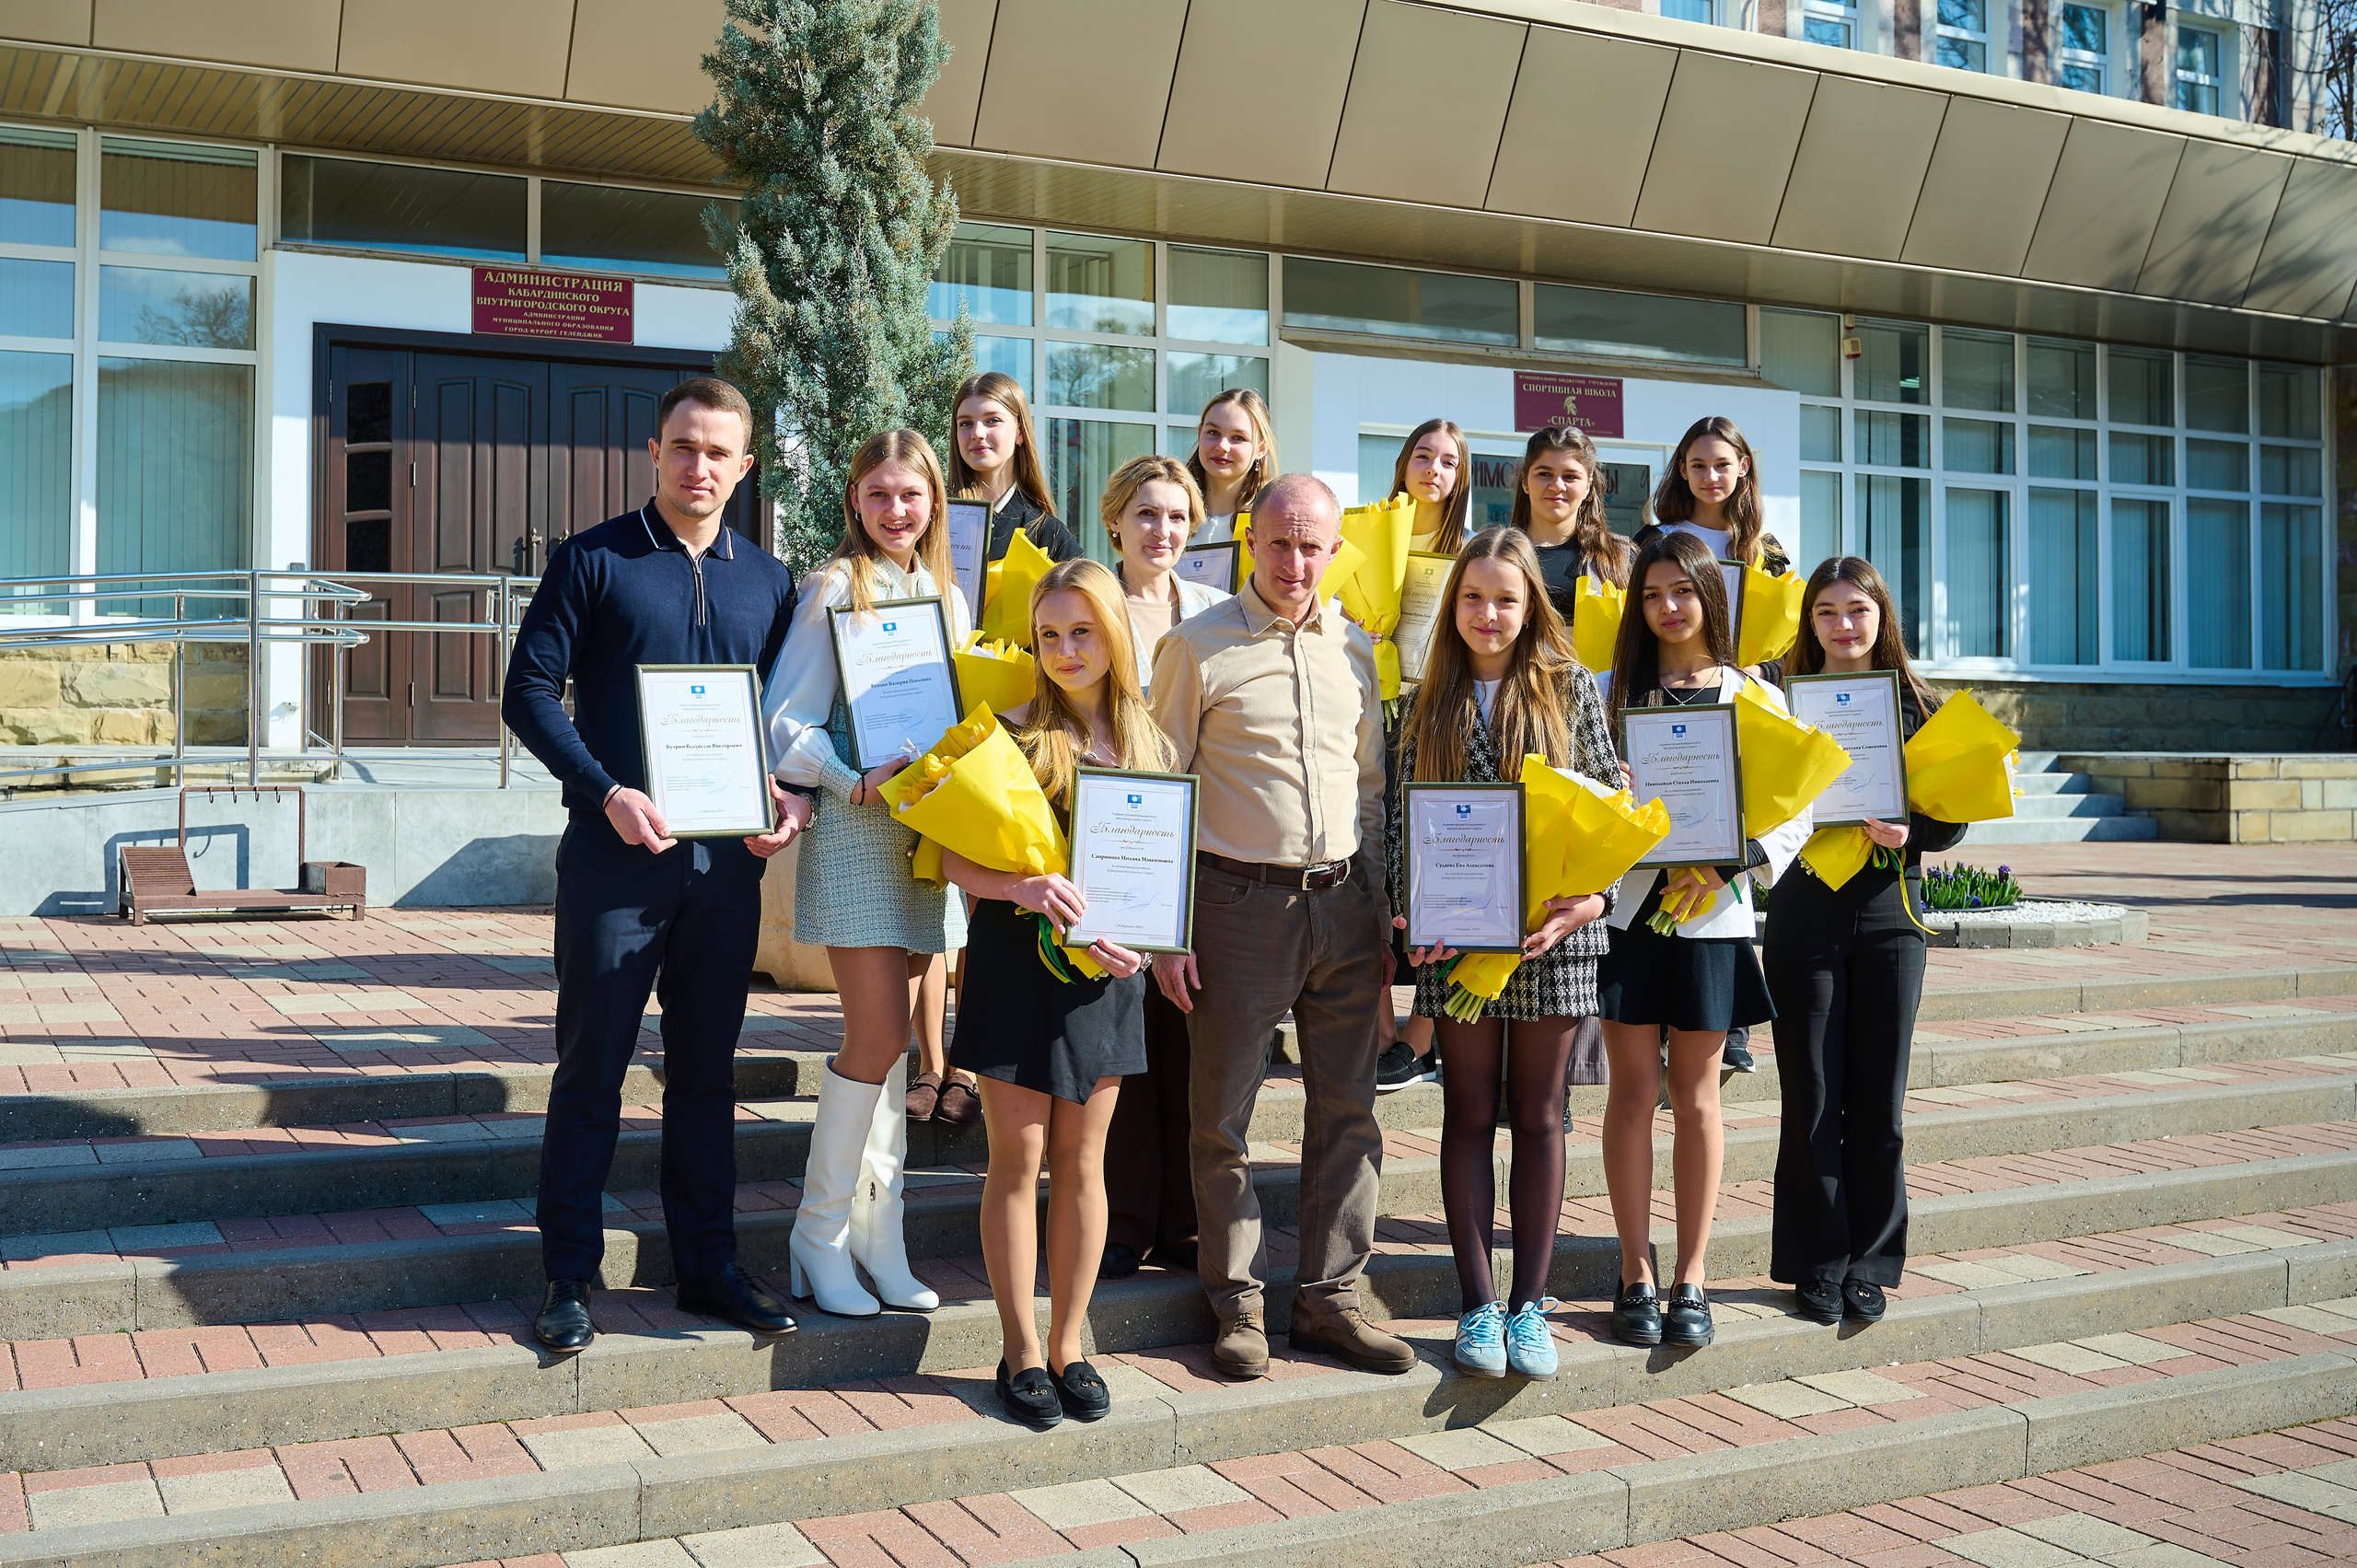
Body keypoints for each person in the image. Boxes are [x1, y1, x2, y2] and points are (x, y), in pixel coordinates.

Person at [504, 376, 804, 1353]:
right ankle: (566, 1274)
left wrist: (784, 801)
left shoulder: (769, 580)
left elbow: (792, 724)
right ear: (654, 449)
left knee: (706, 1073)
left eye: (719, 451)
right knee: (592, 1067)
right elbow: (529, 691)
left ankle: (707, 1264)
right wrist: (607, 792)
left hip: (726, 869)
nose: (699, 465)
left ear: (745, 465)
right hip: (613, 859)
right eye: (683, 445)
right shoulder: (596, 559)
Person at [1148, 472, 1414, 1381]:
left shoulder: (1355, 649)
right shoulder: (1195, 646)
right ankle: (1237, 1303)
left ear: (1335, 550)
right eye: (1279, 543)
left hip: (1342, 908)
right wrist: (1166, 929)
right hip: (1233, 908)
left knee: (1348, 1110)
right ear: (1247, 543)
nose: (1295, 562)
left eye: (1312, 545)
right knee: (1221, 1118)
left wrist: (1377, 914)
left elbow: (1371, 790)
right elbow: (1162, 790)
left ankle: (1332, 1293)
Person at [1386, 529, 1617, 1382]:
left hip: (1551, 939)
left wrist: (1593, 900)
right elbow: (1401, 818)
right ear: (1455, 607)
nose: (1489, 614)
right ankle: (1478, 1302)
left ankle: (1530, 1305)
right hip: (1460, 940)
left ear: (1531, 608)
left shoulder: (1568, 690)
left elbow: (1609, 814)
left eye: (1506, 600)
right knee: (1469, 1112)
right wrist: (1410, 910)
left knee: (1543, 1115)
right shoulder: (1429, 698)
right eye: (1474, 598)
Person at [945, 559, 1165, 1428]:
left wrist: (1148, 939)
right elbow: (946, 856)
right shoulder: (1003, 733)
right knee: (1018, 1158)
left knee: (1083, 1161)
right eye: (1049, 635)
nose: (1066, 650)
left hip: (1105, 977)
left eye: (1082, 631)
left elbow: (1163, 870)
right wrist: (1022, 888)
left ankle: (1073, 1342)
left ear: (1114, 633)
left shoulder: (1150, 741)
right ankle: (1020, 1346)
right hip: (1013, 965)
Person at [763, 429, 970, 1319]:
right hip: (856, 832)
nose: (895, 511)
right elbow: (783, 720)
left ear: (935, 503)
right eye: (878, 495)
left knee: (893, 1059)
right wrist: (852, 781)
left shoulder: (946, 596)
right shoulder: (832, 588)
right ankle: (817, 1233)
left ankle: (878, 1239)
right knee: (877, 1037)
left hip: (929, 842)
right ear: (855, 499)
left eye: (911, 496)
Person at [1596, 529, 1812, 1352]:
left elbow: (1794, 807)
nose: (1666, 607)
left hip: (1712, 919)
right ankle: (1633, 1270)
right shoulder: (1611, 688)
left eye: (1680, 592)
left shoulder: (1751, 694)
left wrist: (1731, 868)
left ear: (1707, 597)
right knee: (1628, 1092)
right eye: (1650, 595)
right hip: (1628, 916)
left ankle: (1690, 1273)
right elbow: (1578, 793)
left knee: (1696, 1096)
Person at [1765, 558, 1965, 1326]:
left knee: (1879, 1098)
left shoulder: (1919, 705)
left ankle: (1872, 1258)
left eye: (1857, 610)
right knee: (1812, 1093)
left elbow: (1954, 817)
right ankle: (1818, 1260)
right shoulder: (1780, 704)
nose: (1843, 626)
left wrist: (1914, 830)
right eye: (1826, 612)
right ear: (1808, 621)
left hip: (1889, 917)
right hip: (1803, 912)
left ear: (1883, 615)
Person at [919, 374, 1085, 1130]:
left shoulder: (1049, 531)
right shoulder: (931, 516)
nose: (977, 435)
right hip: (935, 722)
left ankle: (969, 1063)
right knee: (932, 899)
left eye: (993, 421)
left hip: (1015, 734)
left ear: (1021, 430)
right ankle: (930, 1063)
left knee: (985, 899)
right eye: (964, 423)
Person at [1094, 455, 1227, 1283]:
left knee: (1185, 1034)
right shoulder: (1086, 602)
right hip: (1107, 841)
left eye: (1178, 516)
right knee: (1118, 1030)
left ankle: (1183, 1217)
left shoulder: (1214, 612)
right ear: (1116, 520)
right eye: (1147, 514)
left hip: (1195, 842)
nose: (1163, 531)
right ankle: (1120, 1219)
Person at [1643, 416, 1786, 1075]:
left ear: (1744, 469)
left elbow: (1790, 643)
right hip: (1663, 700)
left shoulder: (1768, 550)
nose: (1709, 476)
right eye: (1696, 464)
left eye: (1721, 464)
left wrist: (1757, 678)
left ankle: (1728, 1026)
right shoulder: (1654, 540)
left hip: (1732, 698)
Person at [1374, 419, 1476, 1095]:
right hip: (1371, 714)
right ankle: (1380, 1031)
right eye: (1423, 455)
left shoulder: (1467, 550)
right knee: (1373, 875)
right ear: (1404, 462)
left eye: (1447, 461)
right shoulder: (1370, 535)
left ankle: (1423, 1032)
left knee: (1439, 868)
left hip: (1438, 717)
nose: (1433, 468)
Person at [1510, 424, 1635, 627]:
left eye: (1570, 477)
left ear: (1588, 486)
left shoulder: (1619, 556)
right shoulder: (1498, 555)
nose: (1557, 485)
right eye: (1544, 474)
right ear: (1525, 481)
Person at [1184, 388, 1276, 542]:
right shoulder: (1169, 514)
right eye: (1213, 432)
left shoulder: (1274, 521)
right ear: (1200, 434)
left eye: (1238, 437)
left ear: (1260, 449)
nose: (1222, 446)